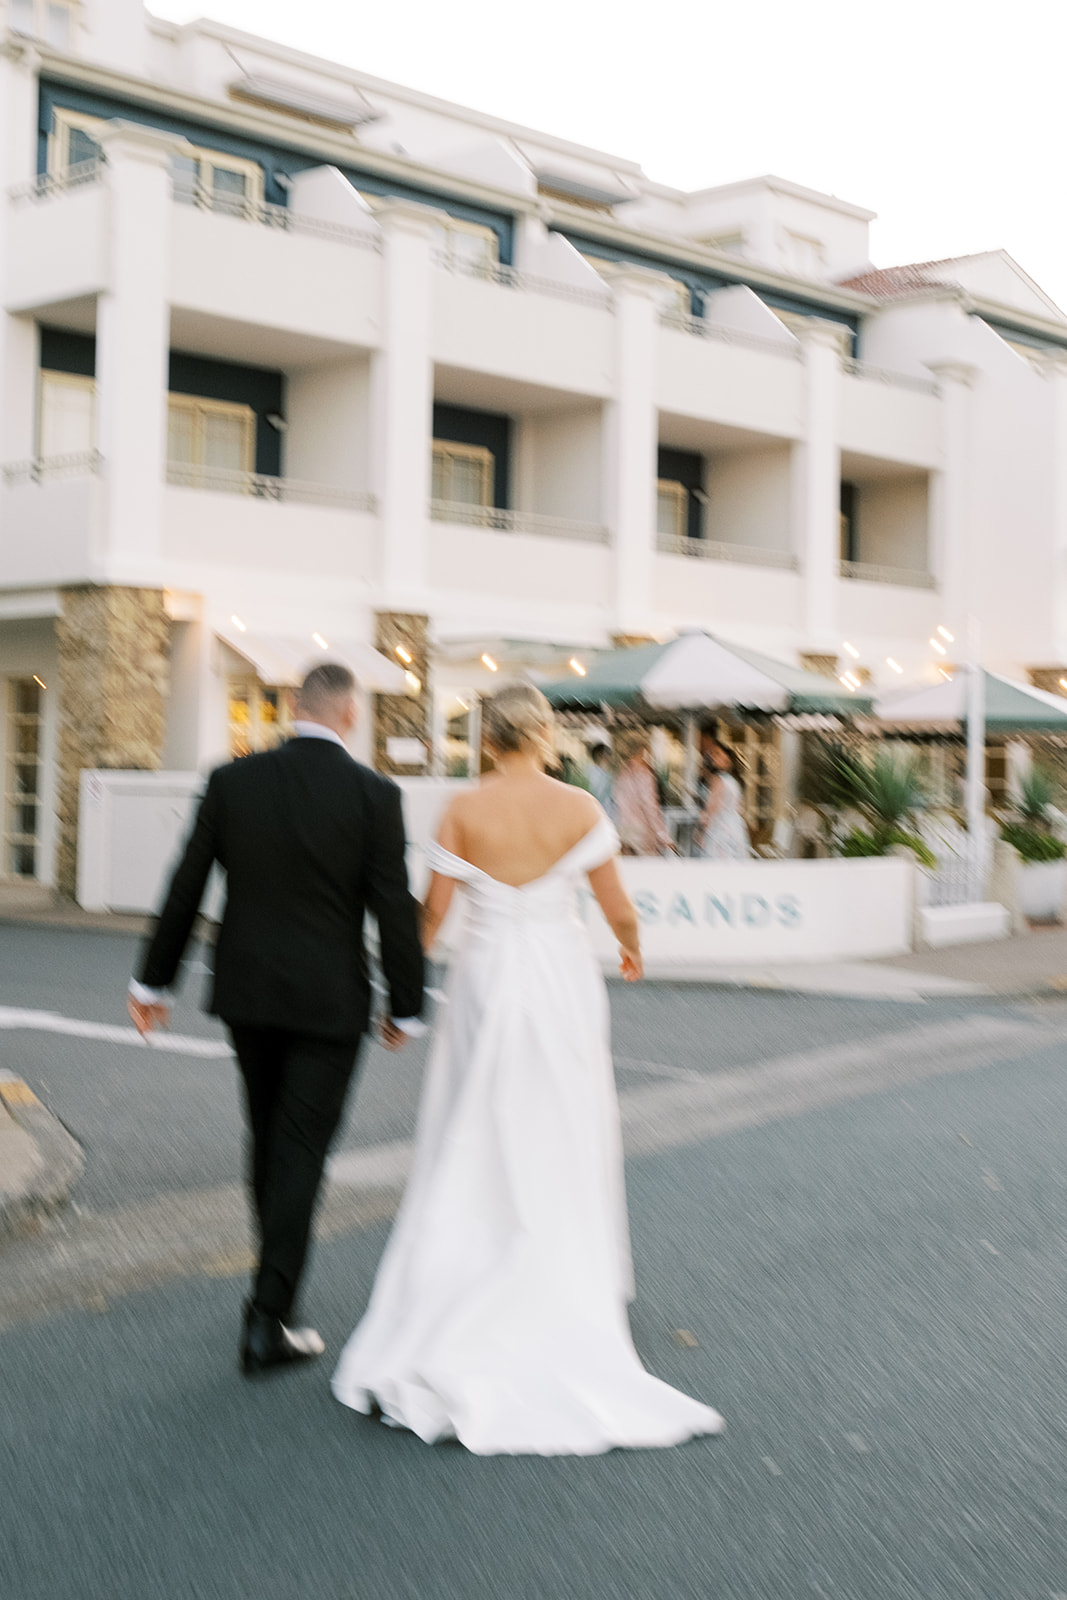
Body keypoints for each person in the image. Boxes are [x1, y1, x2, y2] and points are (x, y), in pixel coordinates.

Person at [332, 683, 723, 1455]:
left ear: (488, 740)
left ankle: (465, 1261)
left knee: (471, 1120)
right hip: (556, 978)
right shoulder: (579, 808)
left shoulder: (464, 810)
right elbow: (613, 904)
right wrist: (631, 947)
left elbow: (434, 913)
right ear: (544, 736)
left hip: (484, 976)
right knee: (563, 1117)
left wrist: (405, 972)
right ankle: (562, 1260)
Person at [127, 663, 425, 1377]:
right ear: (349, 715)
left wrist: (152, 980)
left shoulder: (233, 781)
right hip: (330, 1000)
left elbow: (186, 883)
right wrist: (406, 1006)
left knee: (267, 1139)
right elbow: (392, 907)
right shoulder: (373, 795)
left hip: (248, 993)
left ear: (293, 707)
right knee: (300, 1150)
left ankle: (274, 1291)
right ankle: (268, 1318)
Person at [614, 732, 674, 855]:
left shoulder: (621, 773)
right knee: (648, 870)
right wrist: (662, 834)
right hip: (642, 831)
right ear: (643, 751)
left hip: (624, 829)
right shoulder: (644, 774)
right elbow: (650, 806)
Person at [694, 740, 751, 860]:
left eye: (717, 754)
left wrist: (700, 831)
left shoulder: (719, 780)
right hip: (735, 828)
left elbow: (712, 808)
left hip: (720, 829)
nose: (712, 757)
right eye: (712, 754)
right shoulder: (733, 781)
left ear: (727, 761)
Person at [585, 738, 616, 817]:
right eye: (607, 756)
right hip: (598, 815)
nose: (609, 759)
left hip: (605, 815)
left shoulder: (608, 773)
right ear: (600, 756)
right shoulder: (591, 774)